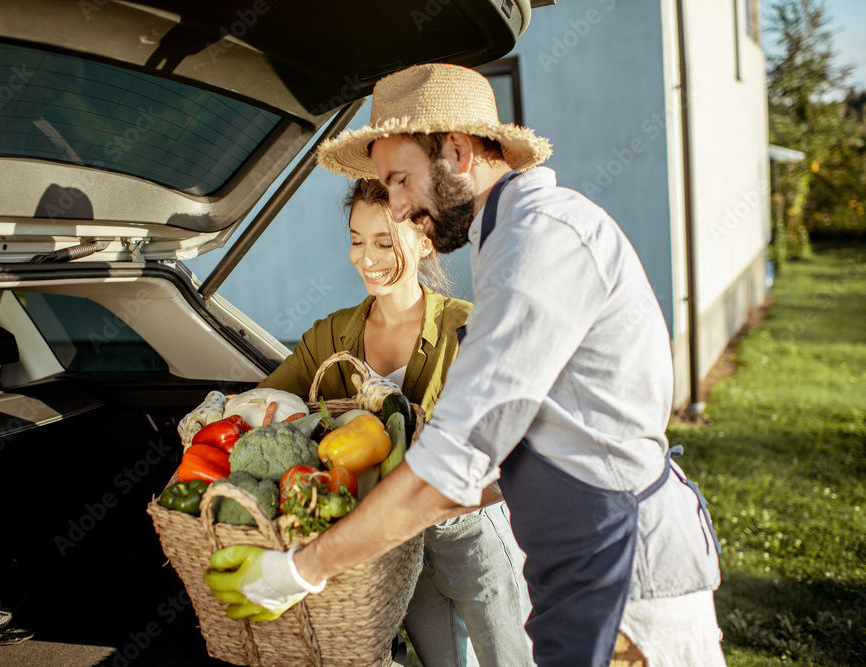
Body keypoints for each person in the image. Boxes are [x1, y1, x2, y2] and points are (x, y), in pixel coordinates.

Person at [206, 63, 726, 667]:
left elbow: (454, 461)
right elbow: (515, 447)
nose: (395, 209)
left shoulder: (540, 243)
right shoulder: (505, 239)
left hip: (626, 585)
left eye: (400, 181)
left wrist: (297, 571)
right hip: (577, 575)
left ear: (455, 151)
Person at [258, 177, 534, 666]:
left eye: (384, 242)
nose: (367, 257)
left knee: (510, 660)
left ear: (425, 240)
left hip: (471, 532)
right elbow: (265, 407)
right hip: (398, 550)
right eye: (357, 239)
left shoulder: (465, 328)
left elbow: (516, 451)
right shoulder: (330, 336)